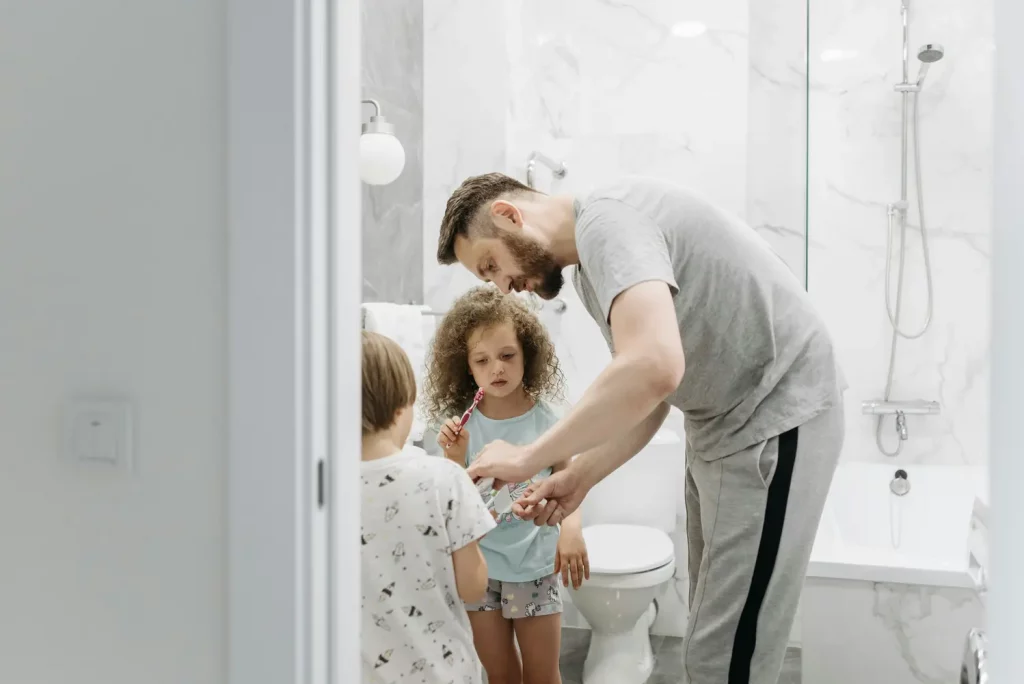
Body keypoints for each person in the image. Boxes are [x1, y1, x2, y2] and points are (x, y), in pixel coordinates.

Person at [434, 173, 846, 684]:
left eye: (492, 265)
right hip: (728, 429)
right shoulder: (591, 263)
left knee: (727, 653)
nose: (503, 286)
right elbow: (648, 395)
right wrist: (580, 476)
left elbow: (654, 366)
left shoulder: (608, 224)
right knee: (714, 634)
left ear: (509, 216)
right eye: (488, 278)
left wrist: (526, 458)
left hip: (773, 415)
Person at [423, 286, 589, 684]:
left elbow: (570, 481)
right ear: (467, 367)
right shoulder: (460, 424)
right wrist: (453, 456)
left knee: (542, 675)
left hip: (534, 564)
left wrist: (571, 529)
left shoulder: (550, 420)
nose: (496, 368)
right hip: (481, 568)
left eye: (507, 355)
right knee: (499, 675)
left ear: (527, 354)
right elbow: (455, 500)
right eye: (482, 360)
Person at [360, 331, 497, 684]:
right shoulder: (445, 478)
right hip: (443, 673)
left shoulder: (315, 490)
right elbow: (473, 587)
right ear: (402, 408)